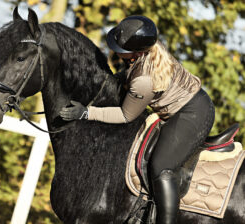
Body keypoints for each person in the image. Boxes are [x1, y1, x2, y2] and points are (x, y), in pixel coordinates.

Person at [59, 15, 215, 224]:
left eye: (122, 50)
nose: (116, 52)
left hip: (193, 114)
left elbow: (125, 115)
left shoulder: (144, 80)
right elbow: (128, 74)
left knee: (161, 166)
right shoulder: (150, 48)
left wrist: (87, 113)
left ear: (138, 52)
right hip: (190, 103)